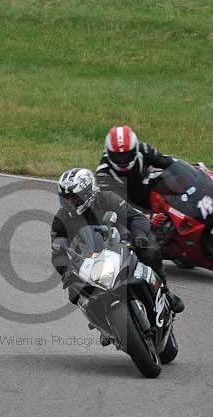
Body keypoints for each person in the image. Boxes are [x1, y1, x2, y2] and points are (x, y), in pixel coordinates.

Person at [50, 168, 183, 313]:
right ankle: (104, 328)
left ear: (87, 192)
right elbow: (57, 251)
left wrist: (139, 236)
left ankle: (164, 292)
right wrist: (66, 272)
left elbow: (136, 217)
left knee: (150, 252)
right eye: (65, 197)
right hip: (88, 262)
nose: (69, 201)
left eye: (74, 197)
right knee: (75, 296)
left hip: (120, 246)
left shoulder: (107, 199)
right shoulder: (61, 219)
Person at [95, 125, 177, 211]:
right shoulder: (103, 173)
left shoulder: (144, 150)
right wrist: (149, 216)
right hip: (125, 207)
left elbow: (170, 163)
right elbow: (119, 203)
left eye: (126, 155)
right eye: (118, 156)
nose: (122, 160)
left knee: (170, 178)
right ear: (109, 152)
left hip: (147, 191)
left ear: (135, 149)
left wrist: (189, 170)